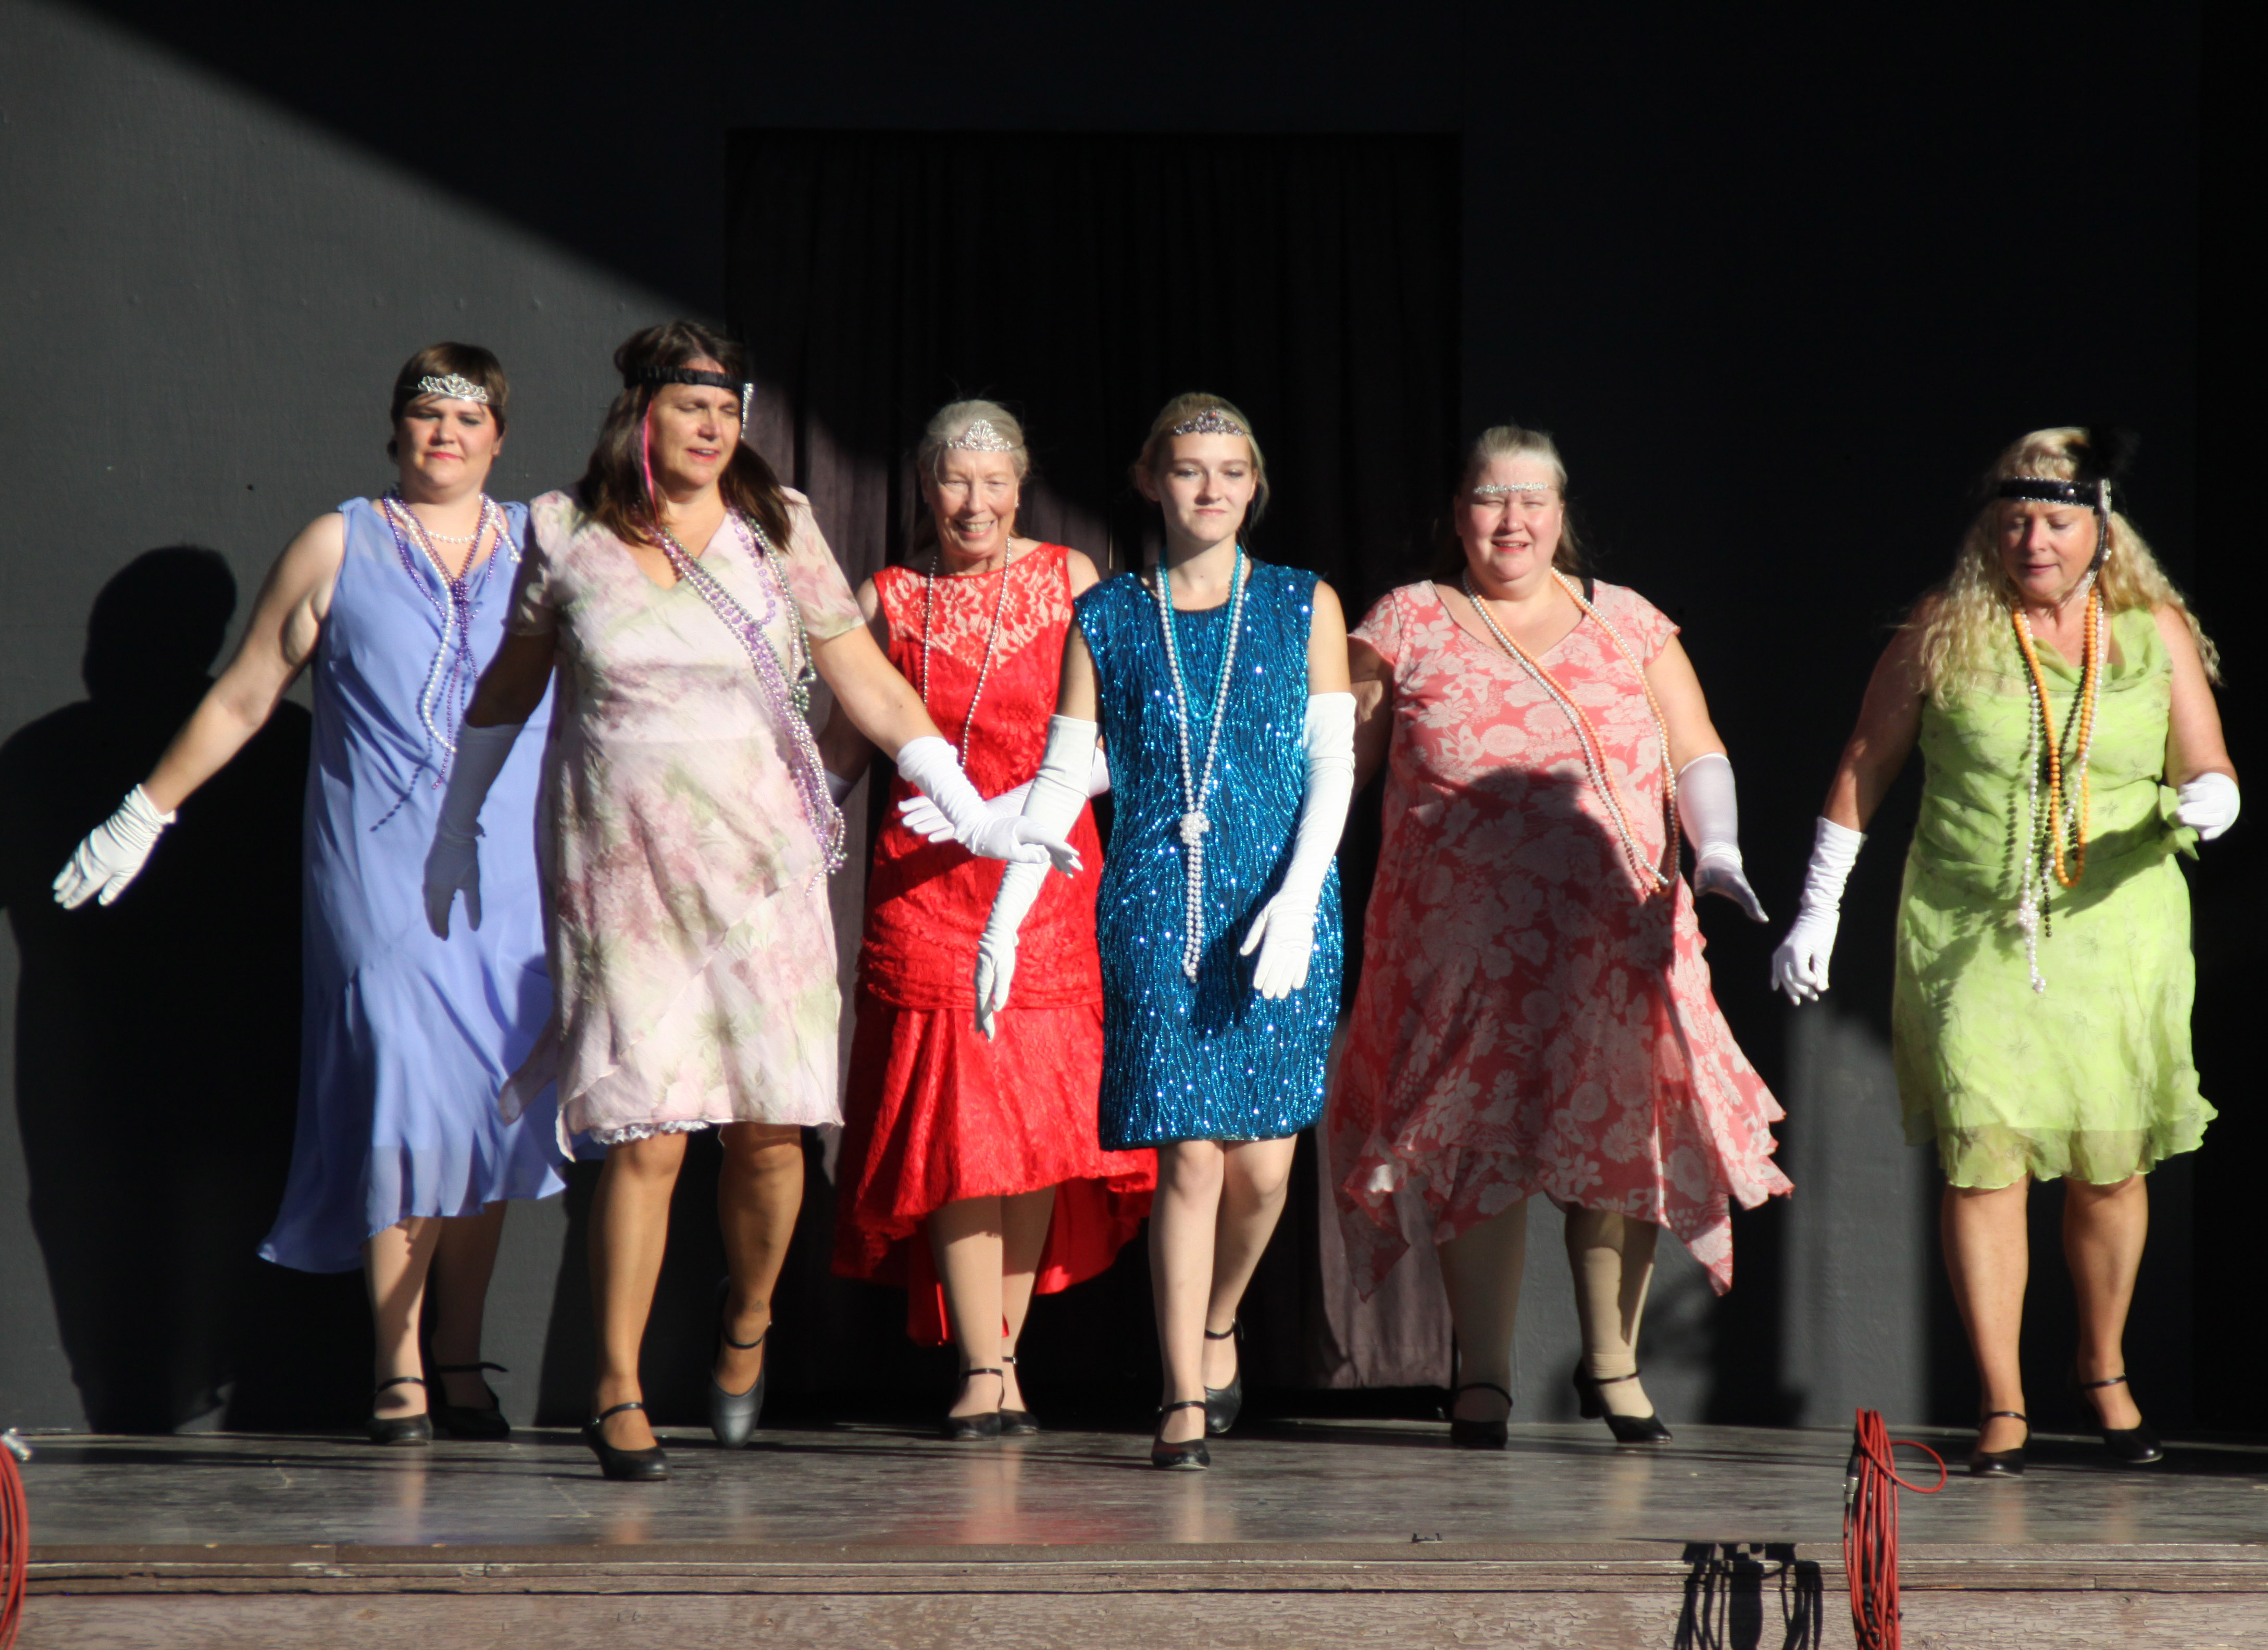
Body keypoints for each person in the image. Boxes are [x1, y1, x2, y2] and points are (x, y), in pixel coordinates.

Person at [425, 322, 1076, 1481]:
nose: (713, 427)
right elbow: (509, 683)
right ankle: (616, 1391)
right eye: (690, 407)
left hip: (761, 878)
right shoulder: (563, 532)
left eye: (727, 409)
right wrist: (454, 827)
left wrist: (964, 804)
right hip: (621, 884)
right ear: (639, 415)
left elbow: (859, 673)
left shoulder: (779, 527)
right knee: (647, 1134)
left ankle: (748, 1321)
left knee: (770, 1141)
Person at [53, 344, 564, 1444]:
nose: (446, 435)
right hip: (380, 871)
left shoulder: (544, 545)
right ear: (395, 429)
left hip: (509, 874)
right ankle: (398, 1367)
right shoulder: (340, 542)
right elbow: (245, 695)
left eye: (469, 419)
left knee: (491, 1107)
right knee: (401, 1091)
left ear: (499, 438)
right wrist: (148, 810)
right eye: (426, 415)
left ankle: (462, 1364)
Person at [1772, 427, 2235, 1476]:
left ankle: (2102, 1370)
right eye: (2014, 520)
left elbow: (2204, 759)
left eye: (2056, 520)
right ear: (1990, 529)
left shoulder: (2149, 630)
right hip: (1973, 927)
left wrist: (2212, 799)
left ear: (2099, 532)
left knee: (2107, 1163)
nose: (2033, 539)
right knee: (1984, 1156)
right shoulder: (1944, 629)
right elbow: (1863, 762)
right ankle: (2001, 1401)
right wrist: (1818, 911)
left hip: (2116, 929)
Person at [1328, 423, 1790, 1449]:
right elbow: (1337, 772)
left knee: (1615, 1136)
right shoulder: (1404, 623)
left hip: (1612, 942)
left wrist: (1714, 851)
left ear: (1559, 514)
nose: (1512, 520)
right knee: (1472, 1146)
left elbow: (1694, 748)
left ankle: (1611, 1367)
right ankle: (1482, 1380)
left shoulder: (1625, 622)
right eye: (1491, 499)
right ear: (1459, 514)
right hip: (1458, 954)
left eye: (1532, 501)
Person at [978, 393, 1354, 1469]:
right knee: (1188, 1155)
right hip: (1155, 907)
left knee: (1265, 1170)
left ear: (1255, 484)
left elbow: (1333, 764)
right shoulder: (1106, 615)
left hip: (1282, 903)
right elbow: (1059, 779)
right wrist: (1006, 916)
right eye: (1189, 469)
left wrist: (1297, 892)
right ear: (1150, 479)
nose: (1210, 489)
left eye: (1231, 471)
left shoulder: (1300, 603)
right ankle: (1180, 1392)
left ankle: (1221, 1317)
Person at [819, 401, 1154, 1440]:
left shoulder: (1073, 580)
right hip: (929, 887)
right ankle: (983, 1364)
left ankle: (1003, 1356)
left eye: (992, 481)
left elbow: (1128, 735)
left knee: (1038, 1130)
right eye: (953, 481)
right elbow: (841, 750)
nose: (973, 502)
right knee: (959, 1129)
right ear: (924, 487)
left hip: (1051, 874)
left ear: (1021, 487)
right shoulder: (889, 596)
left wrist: (1016, 810)